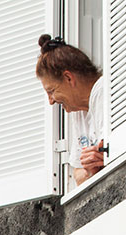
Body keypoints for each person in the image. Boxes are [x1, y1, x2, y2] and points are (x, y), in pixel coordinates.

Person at [36, 34, 104, 186]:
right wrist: (91, 169)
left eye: (51, 91)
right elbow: (78, 175)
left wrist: (97, 164)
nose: (51, 101)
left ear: (68, 78)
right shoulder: (79, 111)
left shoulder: (104, 92)